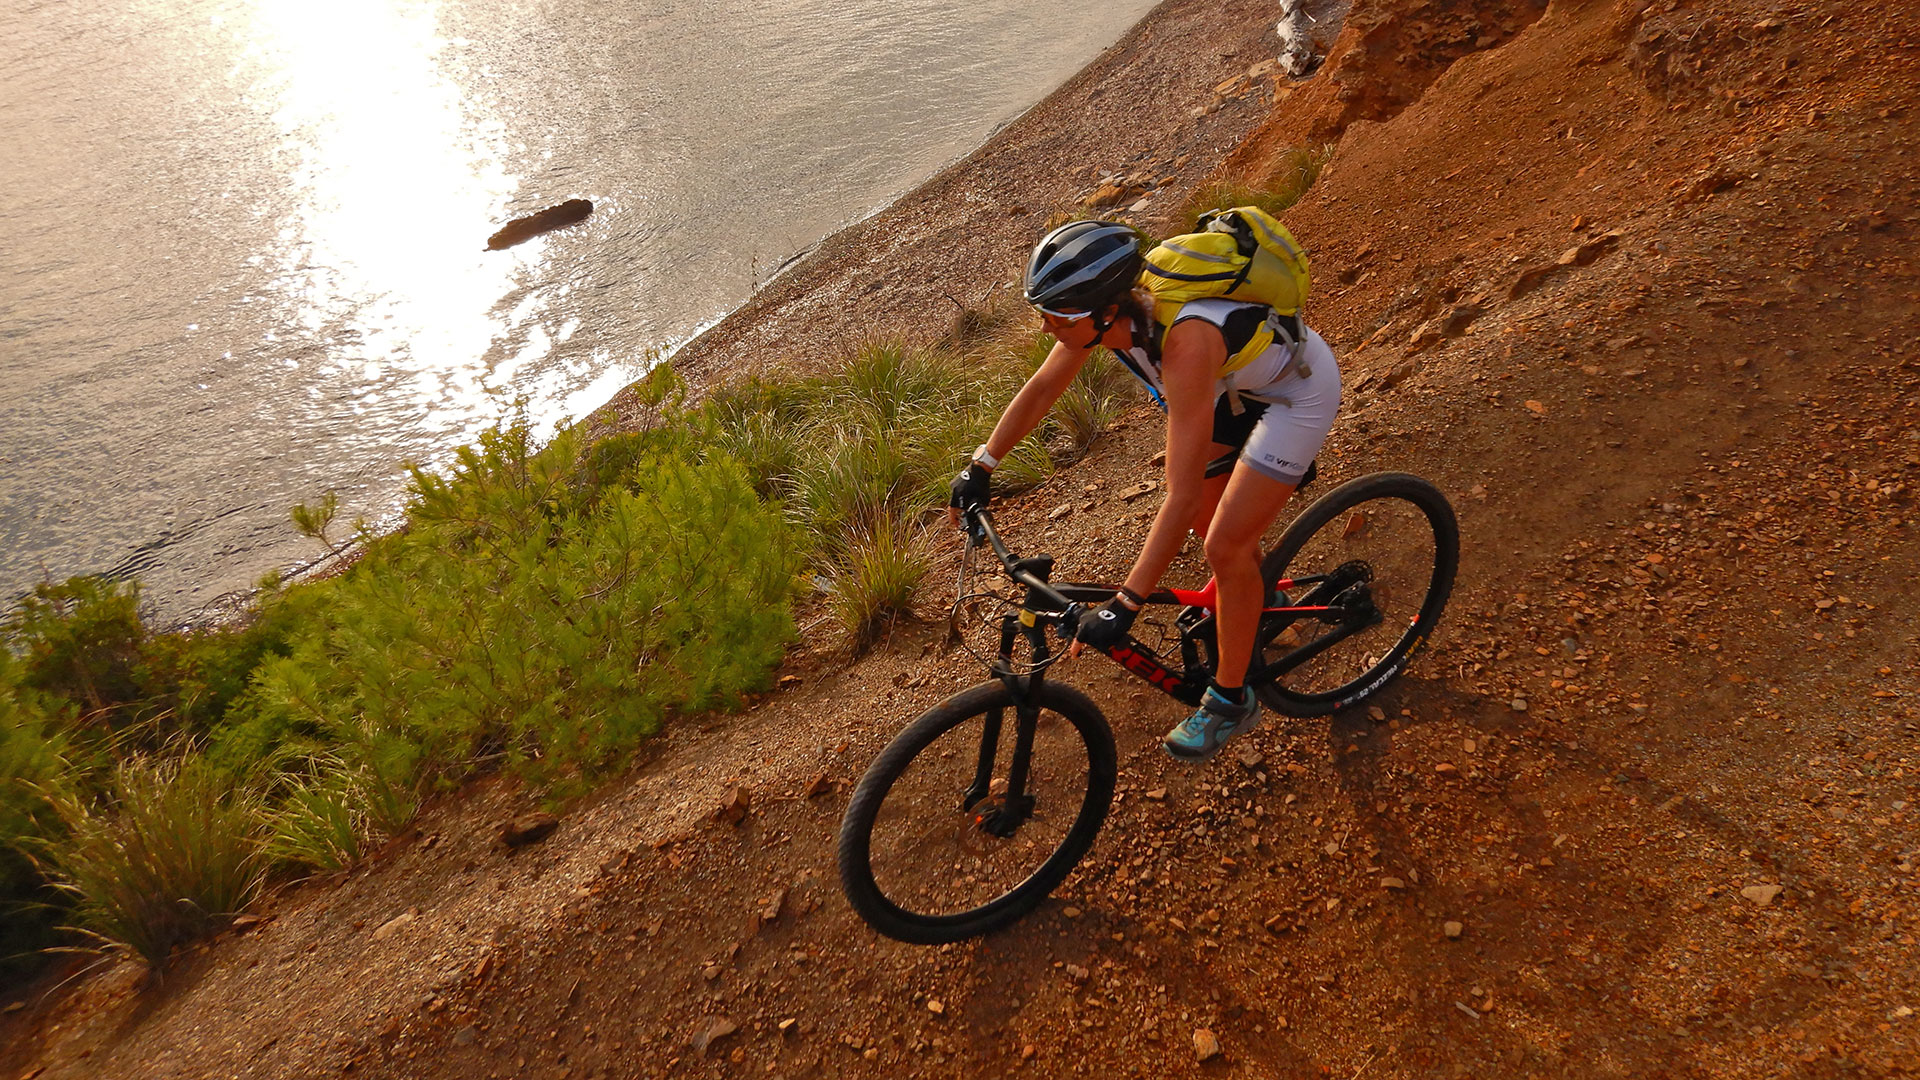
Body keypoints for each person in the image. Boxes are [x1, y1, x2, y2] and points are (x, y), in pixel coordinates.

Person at [948, 219, 1342, 762]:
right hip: (1229, 393)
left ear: (1105, 309)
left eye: (1057, 315)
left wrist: (1125, 604)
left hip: (1294, 397)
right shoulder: (1113, 323)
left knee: (1222, 545)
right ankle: (1261, 599)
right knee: (1220, 532)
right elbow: (1042, 387)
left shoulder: (1184, 343)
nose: (1045, 328)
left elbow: (1175, 497)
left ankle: (1231, 701)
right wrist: (982, 465)